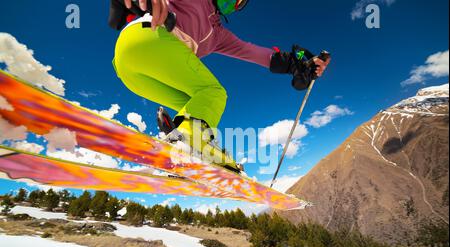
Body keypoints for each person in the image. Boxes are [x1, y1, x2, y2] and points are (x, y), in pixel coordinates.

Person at [109, 0, 330, 173]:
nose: (230, 2)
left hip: (130, 71)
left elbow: (258, 54)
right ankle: (187, 145)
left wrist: (296, 64)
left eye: (237, 3)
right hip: (146, 36)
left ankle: (191, 141)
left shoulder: (218, 36)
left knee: (195, 105)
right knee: (213, 93)